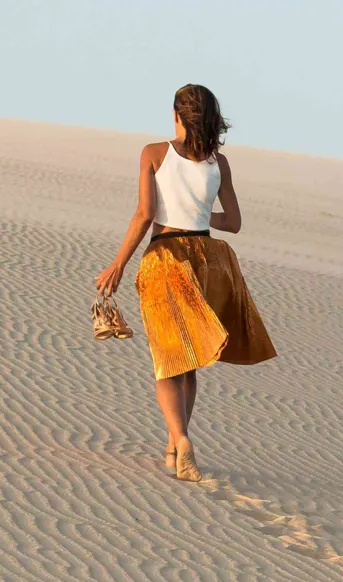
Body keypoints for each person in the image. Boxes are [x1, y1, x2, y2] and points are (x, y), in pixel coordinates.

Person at [95, 84, 276, 482]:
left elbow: (144, 215)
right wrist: (199, 212)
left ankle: (180, 438)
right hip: (209, 259)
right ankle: (175, 445)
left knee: (167, 359)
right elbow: (234, 223)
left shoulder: (153, 153)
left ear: (177, 114)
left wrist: (118, 264)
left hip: (166, 258)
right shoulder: (219, 162)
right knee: (189, 360)